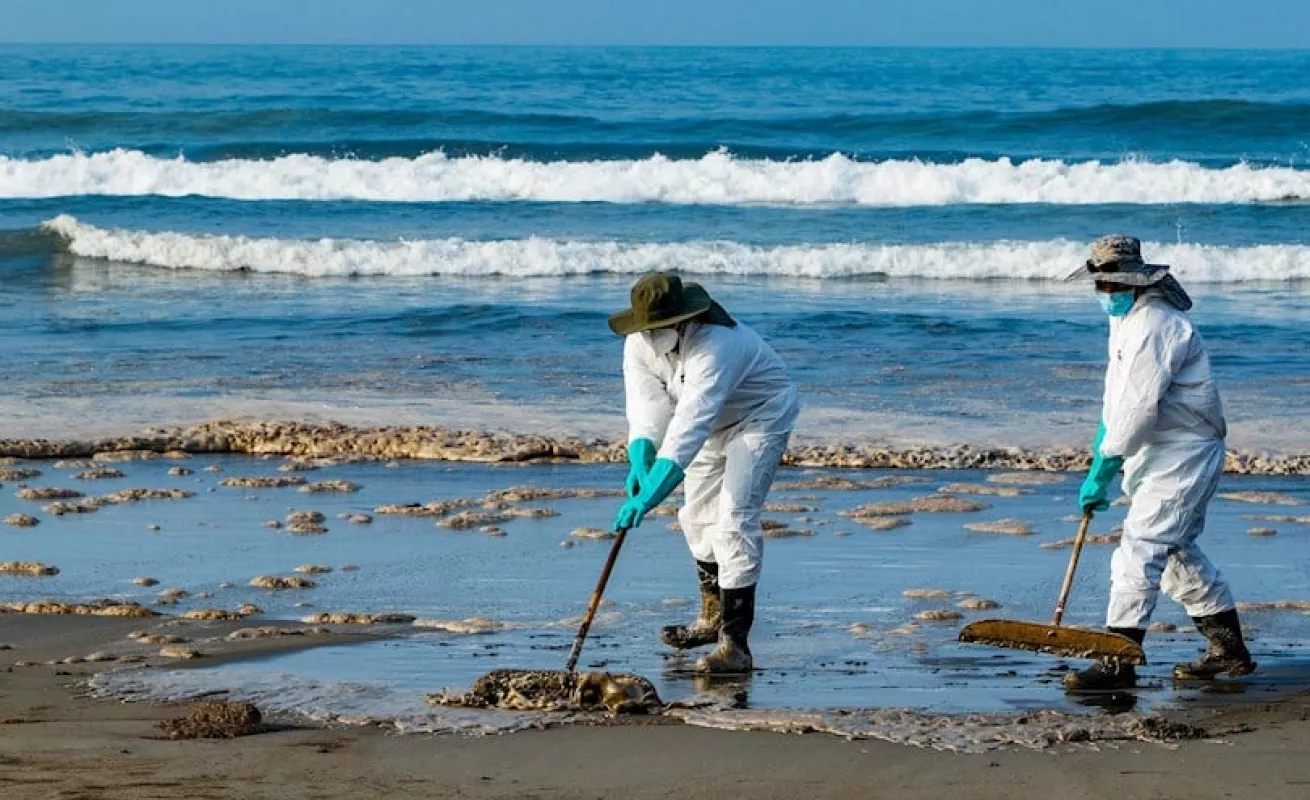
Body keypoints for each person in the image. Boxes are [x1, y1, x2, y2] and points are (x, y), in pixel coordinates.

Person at [1062, 235, 1255, 691]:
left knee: (1140, 550)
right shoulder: (1127, 321)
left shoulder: (1156, 325)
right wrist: (1099, 454)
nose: (1104, 294)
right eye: (1100, 285)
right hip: (1156, 449)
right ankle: (1228, 650)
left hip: (1184, 451)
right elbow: (1118, 402)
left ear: (1133, 281)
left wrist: (1104, 471)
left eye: (1111, 285)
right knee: (1175, 554)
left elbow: (1137, 409)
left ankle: (1117, 663)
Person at [608, 272, 799, 674]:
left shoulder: (716, 343)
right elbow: (649, 404)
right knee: (695, 519)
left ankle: (735, 646)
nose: (648, 335)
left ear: (682, 318)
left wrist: (648, 497)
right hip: (710, 429)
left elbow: (689, 423)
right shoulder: (636, 343)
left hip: (760, 417)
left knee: (733, 520)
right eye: (644, 327)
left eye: (657, 327)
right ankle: (710, 618)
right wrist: (640, 456)